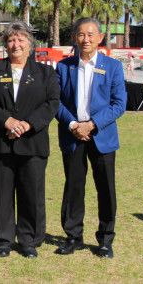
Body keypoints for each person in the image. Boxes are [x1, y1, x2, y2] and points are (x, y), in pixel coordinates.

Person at [0, 21, 60, 259]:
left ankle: (29, 240)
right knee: (1, 193)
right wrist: (7, 121)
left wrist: (27, 124)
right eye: (11, 40)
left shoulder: (45, 73)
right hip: (0, 142)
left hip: (32, 143)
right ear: (5, 44)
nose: (16, 44)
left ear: (30, 44)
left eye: (21, 40)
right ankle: (3, 239)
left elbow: (52, 102)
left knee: (32, 194)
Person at [55, 18, 126, 259]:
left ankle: (105, 239)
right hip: (73, 135)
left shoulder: (113, 67)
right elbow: (56, 103)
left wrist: (92, 124)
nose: (86, 39)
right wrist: (75, 124)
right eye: (81, 34)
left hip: (102, 136)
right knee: (74, 188)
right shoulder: (64, 67)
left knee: (105, 189)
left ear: (100, 38)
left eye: (90, 34)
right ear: (75, 37)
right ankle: (73, 236)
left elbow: (119, 104)